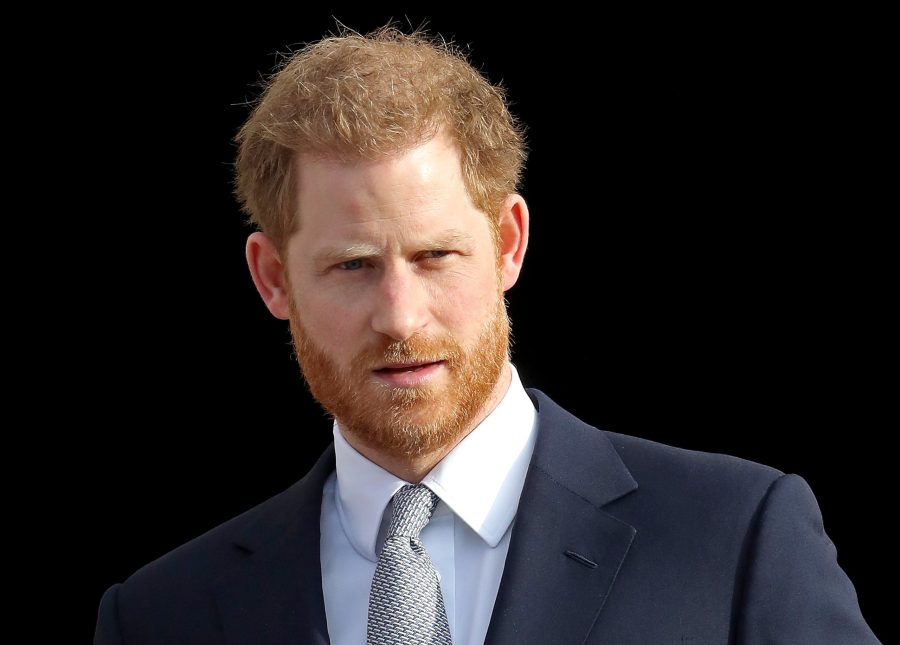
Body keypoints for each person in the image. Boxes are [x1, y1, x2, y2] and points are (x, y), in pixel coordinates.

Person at [94, 25, 879, 644]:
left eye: (436, 255)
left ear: (508, 242)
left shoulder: (732, 541)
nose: (401, 317)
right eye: (352, 266)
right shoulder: (164, 614)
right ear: (272, 278)